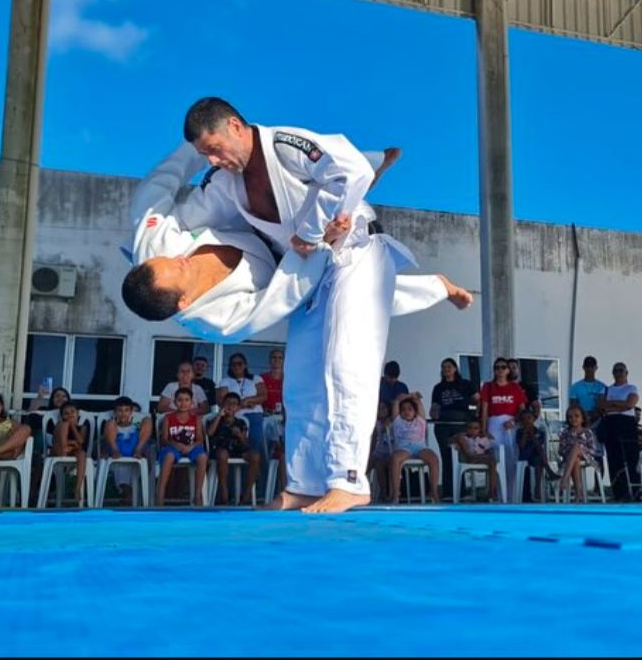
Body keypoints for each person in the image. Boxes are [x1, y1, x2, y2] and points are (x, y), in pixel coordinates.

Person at [123, 122, 472, 514]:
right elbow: (286, 294)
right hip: (292, 264)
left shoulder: (152, 236)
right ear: (185, 299)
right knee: (301, 380)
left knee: (346, 358)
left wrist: (201, 147)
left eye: (172, 257)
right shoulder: (219, 319)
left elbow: (165, 175)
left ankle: (349, 480)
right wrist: (320, 242)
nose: (180, 257)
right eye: (180, 269)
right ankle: (304, 483)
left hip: (344, 242)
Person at [479, 356, 528, 503]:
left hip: (510, 424)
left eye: (503, 367)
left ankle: (512, 496)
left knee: (511, 458)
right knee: (496, 458)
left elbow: (522, 410)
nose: (499, 370)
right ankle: (498, 496)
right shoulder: (488, 386)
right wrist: (484, 429)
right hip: (494, 423)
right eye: (497, 367)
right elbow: (485, 409)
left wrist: (514, 421)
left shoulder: (515, 388)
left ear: (508, 370)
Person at [156, 387, 208, 506]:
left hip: (192, 447)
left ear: (191, 402)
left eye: (186, 400)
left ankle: (198, 494)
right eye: (180, 400)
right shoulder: (168, 418)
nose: (183, 403)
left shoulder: (196, 419)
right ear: (174, 402)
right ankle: (160, 493)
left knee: (203, 457)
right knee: (168, 456)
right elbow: (164, 438)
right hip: (172, 447)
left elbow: (200, 439)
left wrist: (191, 446)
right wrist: (175, 444)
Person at [597, 362, 641, 501]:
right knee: (613, 459)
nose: (618, 373)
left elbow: (630, 404)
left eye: (621, 370)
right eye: (615, 370)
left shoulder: (631, 387)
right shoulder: (607, 389)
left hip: (626, 425)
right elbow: (602, 405)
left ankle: (635, 491)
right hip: (611, 424)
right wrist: (619, 405)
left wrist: (613, 405)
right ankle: (618, 492)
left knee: (631, 458)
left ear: (626, 372)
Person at [208, 393, 261, 505]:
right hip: (220, 449)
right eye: (228, 404)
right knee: (223, 454)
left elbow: (246, 444)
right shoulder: (215, 420)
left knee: (255, 456)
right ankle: (224, 490)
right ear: (223, 405)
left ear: (238, 408)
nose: (231, 407)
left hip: (238, 450)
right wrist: (219, 416)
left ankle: (247, 493)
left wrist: (240, 435)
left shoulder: (241, 422)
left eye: (234, 404)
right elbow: (209, 433)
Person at [389, 393, 440, 503]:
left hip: (419, 447)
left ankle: (434, 491)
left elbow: (417, 402)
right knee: (395, 459)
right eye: (403, 410)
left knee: (434, 459)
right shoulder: (397, 421)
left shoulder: (420, 421)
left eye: (409, 409)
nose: (406, 412)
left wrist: (414, 397)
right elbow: (397, 401)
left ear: (415, 412)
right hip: (404, 448)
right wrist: (406, 396)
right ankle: (396, 493)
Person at [103, 396, 153, 506]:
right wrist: (114, 450)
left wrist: (139, 449)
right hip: (117, 452)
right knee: (110, 424)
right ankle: (127, 493)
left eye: (126, 410)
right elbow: (106, 443)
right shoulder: (112, 425)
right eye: (119, 411)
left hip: (135, 451)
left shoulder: (137, 426)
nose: (123, 414)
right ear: (115, 412)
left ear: (131, 412)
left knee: (148, 420)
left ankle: (128, 495)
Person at [216, 352, 267, 452]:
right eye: (233, 364)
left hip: (254, 414)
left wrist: (248, 400)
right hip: (234, 416)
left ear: (245, 365)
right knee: (235, 442)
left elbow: (263, 396)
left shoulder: (255, 379)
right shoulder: (225, 381)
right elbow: (221, 401)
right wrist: (243, 405)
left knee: (255, 442)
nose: (236, 366)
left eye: (240, 363)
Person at [558, 404, 601, 502]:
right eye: (570, 417)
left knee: (577, 447)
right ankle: (578, 493)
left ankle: (565, 478)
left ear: (582, 418)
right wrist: (571, 451)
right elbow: (561, 450)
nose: (573, 419)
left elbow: (593, 450)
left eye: (577, 416)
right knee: (575, 458)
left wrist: (580, 449)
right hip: (569, 458)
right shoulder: (565, 432)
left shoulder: (587, 432)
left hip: (586, 457)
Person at [51, 401, 90, 504]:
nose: (69, 415)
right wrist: (69, 443)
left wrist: (73, 427)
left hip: (72, 451)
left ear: (78, 413)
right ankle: (65, 448)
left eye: (72, 412)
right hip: (59, 450)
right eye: (66, 413)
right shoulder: (60, 425)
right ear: (62, 416)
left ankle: (77, 487)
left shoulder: (82, 427)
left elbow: (81, 442)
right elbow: (55, 441)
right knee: (65, 425)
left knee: (82, 454)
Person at [452, 421, 499, 502]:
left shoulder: (483, 439)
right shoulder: (463, 437)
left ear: (479, 430)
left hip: (480, 459)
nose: (472, 430)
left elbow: (490, 449)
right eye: (470, 428)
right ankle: (472, 457)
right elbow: (450, 441)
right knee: (460, 438)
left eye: (475, 428)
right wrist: (457, 440)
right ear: (466, 429)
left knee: (492, 461)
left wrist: (489, 438)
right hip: (467, 459)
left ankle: (491, 493)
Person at [515, 403, 553, 501]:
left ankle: (537, 488)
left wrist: (532, 434)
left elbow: (539, 445)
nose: (527, 421)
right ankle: (548, 471)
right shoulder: (519, 431)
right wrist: (525, 433)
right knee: (539, 455)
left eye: (529, 418)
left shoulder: (539, 431)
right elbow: (522, 447)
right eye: (524, 419)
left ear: (534, 419)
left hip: (536, 457)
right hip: (525, 455)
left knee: (538, 459)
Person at [568, 356, 607, 435]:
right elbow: (573, 406)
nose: (589, 369)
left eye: (592, 366)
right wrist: (584, 418)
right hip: (581, 422)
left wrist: (593, 415)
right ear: (583, 367)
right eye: (587, 366)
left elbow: (603, 406)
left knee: (597, 446)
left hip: (598, 423)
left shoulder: (602, 387)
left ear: (596, 368)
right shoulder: (575, 387)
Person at [429, 358, 477, 422]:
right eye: (444, 367)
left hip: (462, 419)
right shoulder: (438, 387)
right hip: (444, 421)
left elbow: (477, 399)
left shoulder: (466, 384)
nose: (446, 369)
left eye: (449, 367)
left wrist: (474, 414)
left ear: (455, 369)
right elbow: (435, 406)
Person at [368, 401, 396, 502]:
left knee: (380, 464)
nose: (382, 410)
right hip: (379, 451)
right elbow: (374, 439)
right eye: (379, 408)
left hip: (391, 451)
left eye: (384, 408)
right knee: (365, 465)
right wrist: (370, 453)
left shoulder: (394, 421)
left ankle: (384, 493)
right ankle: (361, 490)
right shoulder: (376, 423)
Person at [261, 349, 285, 416]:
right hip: (265, 415)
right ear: (269, 360)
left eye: (280, 357)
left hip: (284, 416)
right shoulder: (261, 378)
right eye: (274, 357)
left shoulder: (288, 379)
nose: (277, 359)